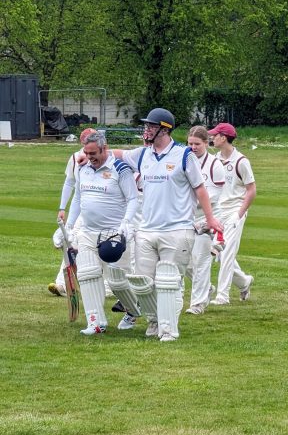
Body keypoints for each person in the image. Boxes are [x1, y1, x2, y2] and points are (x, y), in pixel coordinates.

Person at [115, 108, 222, 341]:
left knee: (170, 282)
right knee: (143, 283)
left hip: (178, 230)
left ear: (164, 129)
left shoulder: (184, 155)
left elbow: (200, 188)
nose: (146, 129)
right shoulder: (143, 154)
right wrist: (83, 153)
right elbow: (117, 154)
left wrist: (210, 218)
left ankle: (168, 328)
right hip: (147, 229)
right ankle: (154, 321)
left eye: (151, 126)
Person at [63, 131, 139, 334]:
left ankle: (133, 311)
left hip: (114, 233)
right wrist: (69, 226)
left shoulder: (121, 169)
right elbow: (78, 197)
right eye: (86, 153)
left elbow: (133, 199)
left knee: (117, 281)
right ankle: (96, 322)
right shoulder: (83, 168)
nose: (90, 158)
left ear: (105, 149)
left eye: (93, 153)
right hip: (88, 232)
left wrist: (126, 222)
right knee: (88, 275)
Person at [207, 123, 256, 306]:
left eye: (215, 135)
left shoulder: (241, 161)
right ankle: (244, 282)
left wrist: (239, 215)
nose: (212, 138)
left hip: (235, 211)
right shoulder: (214, 159)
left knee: (226, 252)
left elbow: (251, 190)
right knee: (219, 255)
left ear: (224, 137)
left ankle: (222, 295)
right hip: (218, 212)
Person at [49, 127, 98, 296]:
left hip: (104, 214)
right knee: (71, 243)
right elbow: (71, 185)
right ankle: (62, 283)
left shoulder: (107, 160)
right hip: (83, 211)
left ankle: (107, 286)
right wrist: (64, 211)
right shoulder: (76, 159)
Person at [184, 126, 226, 314]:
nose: (193, 147)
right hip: (185, 217)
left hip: (206, 218)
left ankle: (198, 304)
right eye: (190, 143)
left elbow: (215, 196)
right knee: (183, 260)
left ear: (206, 143)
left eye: (197, 144)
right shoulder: (183, 159)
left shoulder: (214, 165)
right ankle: (207, 288)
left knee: (201, 260)